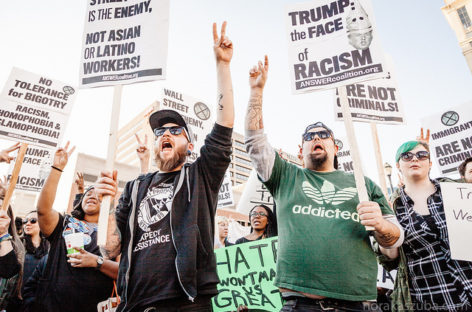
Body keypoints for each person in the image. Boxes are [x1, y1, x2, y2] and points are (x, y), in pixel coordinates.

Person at [244, 55, 404, 312]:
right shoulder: (286, 176)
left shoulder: (363, 183)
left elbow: (393, 245)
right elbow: (254, 143)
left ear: (335, 146)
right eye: (309, 136)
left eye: (323, 135)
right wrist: (256, 92)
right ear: (301, 148)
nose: (316, 137)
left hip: (356, 304)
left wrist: (381, 225)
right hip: (299, 304)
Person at [97, 21, 235, 312]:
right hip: (135, 304)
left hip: (186, 302)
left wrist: (222, 67)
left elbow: (224, 127)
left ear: (190, 144)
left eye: (175, 130)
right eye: (160, 132)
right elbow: (111, 248)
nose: (166, 134)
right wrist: (106, 202)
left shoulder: (200, 176)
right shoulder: (135, 189)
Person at [388, 141, 472, 312]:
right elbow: (390, 257)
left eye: (421, 155)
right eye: (407, 156)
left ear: (430, 163)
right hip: (429, 297)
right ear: (398, 165)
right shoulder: (393, 207)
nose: (414, 159)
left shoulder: (457, 191)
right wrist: (384, 227)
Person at [34, 142, 118, 312]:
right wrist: (57, 168)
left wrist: (96, 261)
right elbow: (43, 211)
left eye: (98, 194)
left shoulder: (113, 234)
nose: (92, 195)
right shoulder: (65, 223)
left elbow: (124, 272)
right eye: (88, 193)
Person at [20, 211, 49, 294]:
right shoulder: (17, 244)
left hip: (36, 295)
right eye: (25, 221)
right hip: (15, 295)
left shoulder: (49, 247)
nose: (28, 224)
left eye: (33, 220)